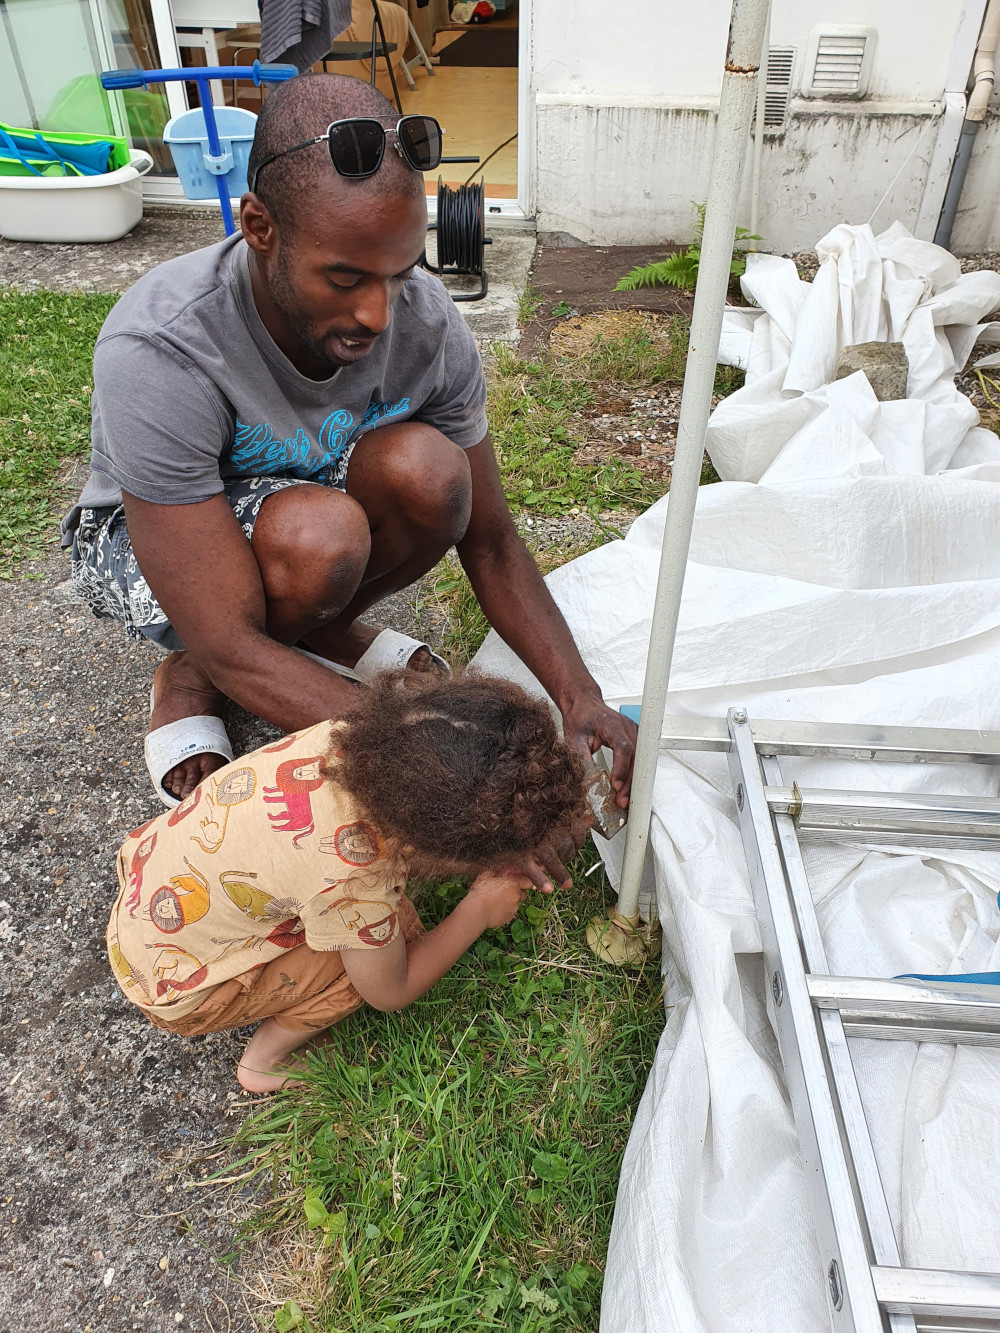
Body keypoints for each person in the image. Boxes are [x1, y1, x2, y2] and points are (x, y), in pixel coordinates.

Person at [63, 72, 633, 890]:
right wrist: (450, 765)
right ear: (259, 228)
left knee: (433, 476)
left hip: (304, 492)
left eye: (399, 273)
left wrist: (580, 698)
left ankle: (305, 636)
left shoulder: (427, 324)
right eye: (345, 278)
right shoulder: (163, 345)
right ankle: (188, 672)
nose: (378, 313)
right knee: (310, 549)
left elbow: (492, 539)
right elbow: (231, 631)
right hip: (146, 533)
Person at [106, 670, 589, 1092]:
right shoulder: (356, 877)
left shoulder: (344, 738)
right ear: (439, 846)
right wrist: (479, 908)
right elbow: (391, 991)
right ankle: (266, 1062)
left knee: (378, 923)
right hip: (176, 987)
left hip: (148, 883)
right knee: (375, 959)